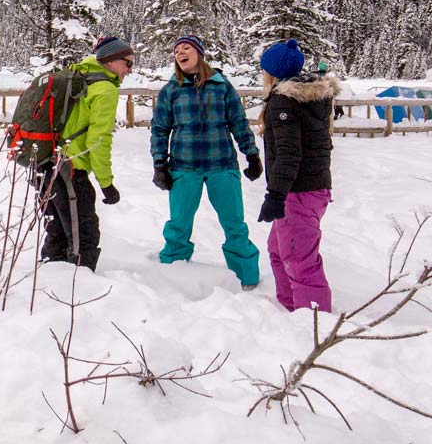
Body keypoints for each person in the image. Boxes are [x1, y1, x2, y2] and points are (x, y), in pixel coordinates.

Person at [150, 35, 263, 289]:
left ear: (199, 53)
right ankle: (171, 275)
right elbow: (159, 129)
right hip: (183, 167)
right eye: (176, 50)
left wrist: (252, 154)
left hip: (222, 165)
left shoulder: (221, 85)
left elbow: (238, 122)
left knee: (234, 224)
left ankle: (247, 278)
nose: (180, 53)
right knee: (179, 224)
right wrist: (160, 164)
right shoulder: (171, 90)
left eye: (186, 48)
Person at [258, 38, 340, 312]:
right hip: (310, 188)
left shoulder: (283, 101)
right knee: (278, 251)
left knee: (299, 259)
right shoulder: (308, 97)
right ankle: (290, 307)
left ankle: (313, 323)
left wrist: (276, 195)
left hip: (299, 191)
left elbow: (289, 153)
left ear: (272, 72)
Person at [40, 36, 134, 271]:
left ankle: (49, 281)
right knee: (84, 233)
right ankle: (80, 285)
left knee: (58, 229)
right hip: (70, 167)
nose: (130, 70)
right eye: (128, 63)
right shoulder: (104, 89)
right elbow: (98, 141)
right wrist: (106, 183)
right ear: (110, 61)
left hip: (44, 162)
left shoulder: (78, 77)